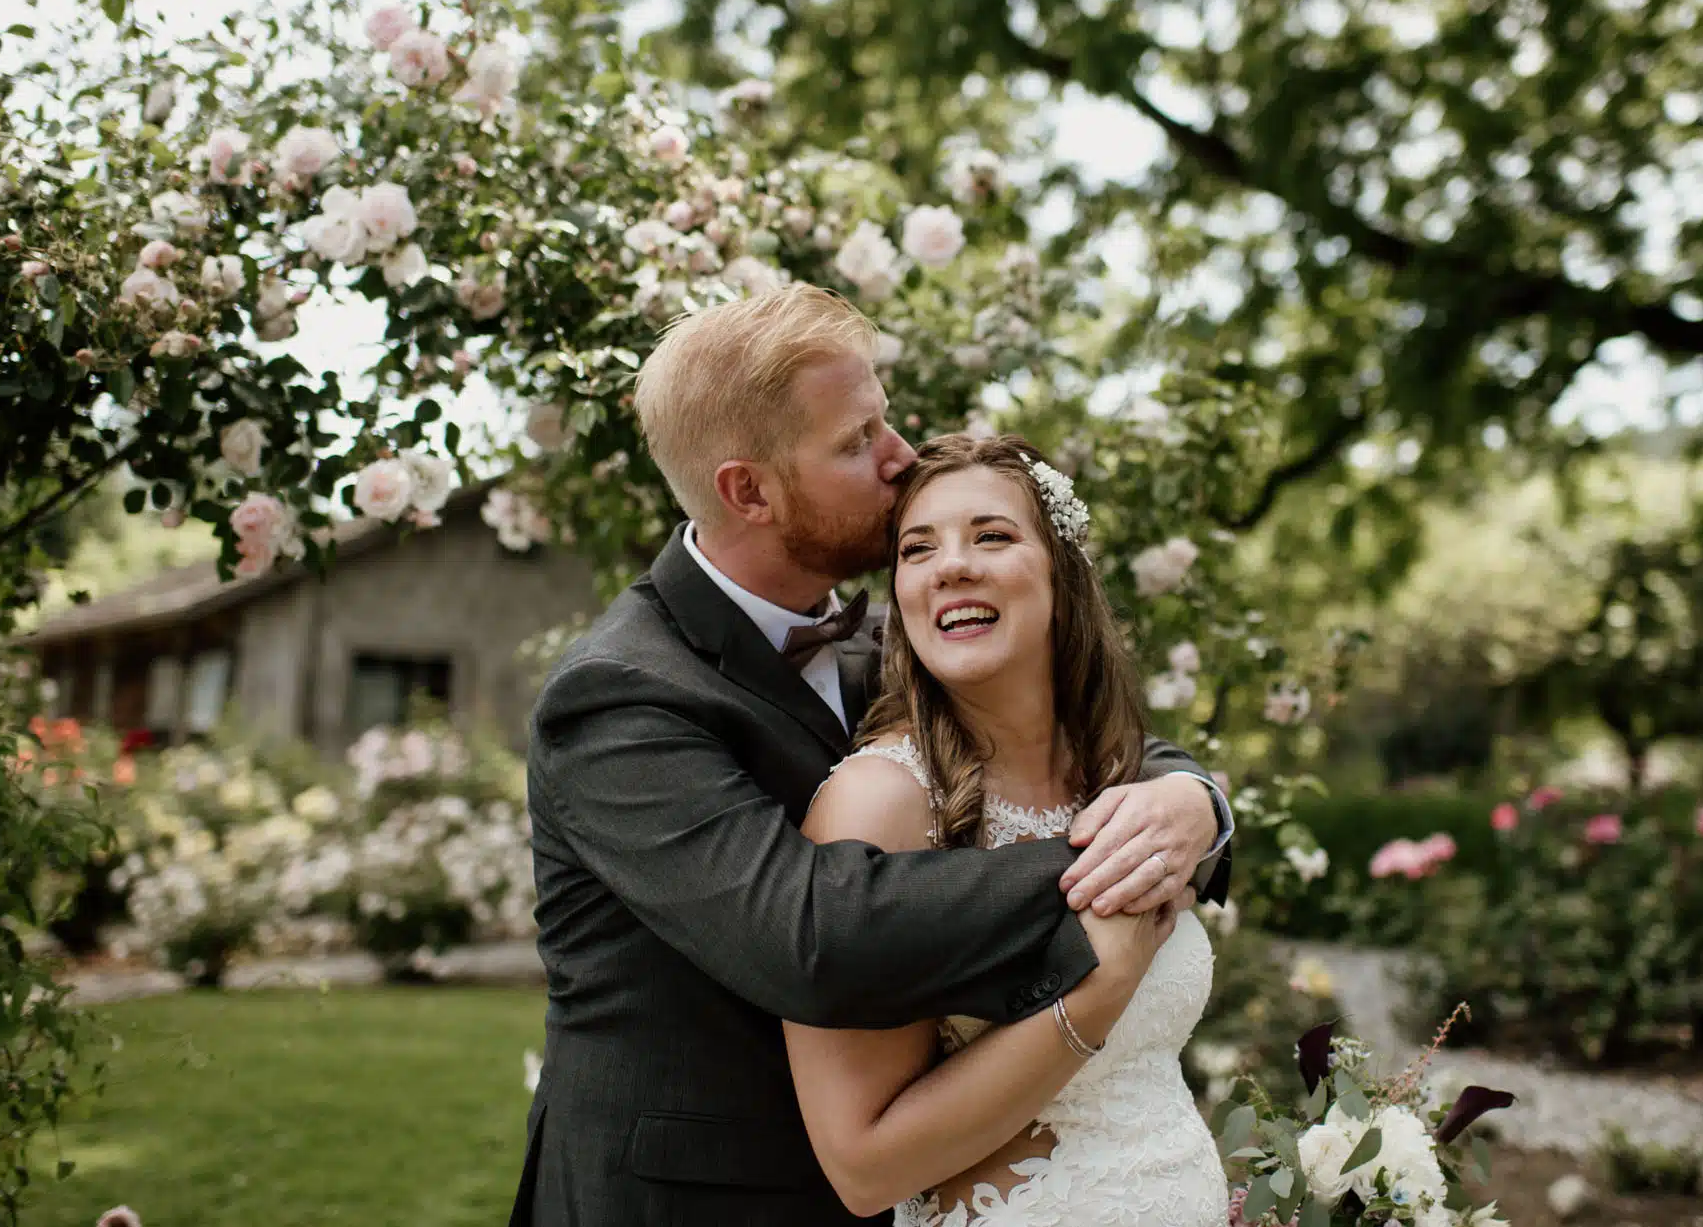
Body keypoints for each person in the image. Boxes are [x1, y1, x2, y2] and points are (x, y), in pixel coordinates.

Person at [510, 284, 1235, 1227]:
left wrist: (1191, 801)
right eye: (857, 441)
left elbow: (1052, 727)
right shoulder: (619, 695)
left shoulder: (887, 642)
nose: (899, 460)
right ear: (749, 490)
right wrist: (1111, 877)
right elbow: (811, 935)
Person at [786, 432, 1230, 1226]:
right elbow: (862, 1166)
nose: (951, 564)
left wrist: (1202, 802)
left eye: (991, 535)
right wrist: (1100, 990)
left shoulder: (1127, 778)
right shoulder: (879, 803)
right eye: (918, 548)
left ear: (1062, 575)